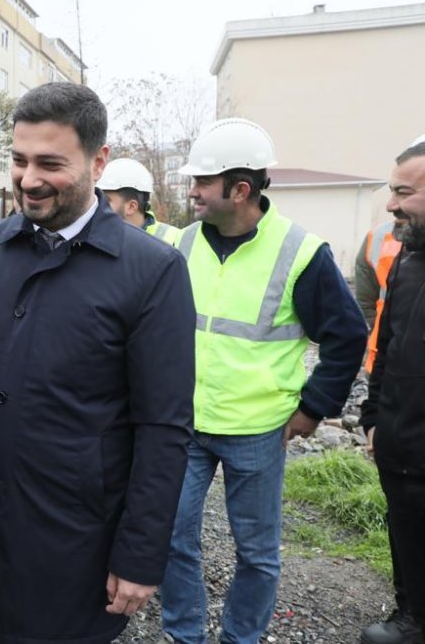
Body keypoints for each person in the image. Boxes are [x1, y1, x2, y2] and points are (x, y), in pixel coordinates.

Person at [0, 82, 197, 643]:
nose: (28, 179)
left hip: (74, 551)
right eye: (18, 159)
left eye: (50, 163)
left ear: (98, 161)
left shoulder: (152, 272)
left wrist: (140, 553)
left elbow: (164, 426)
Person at [157, 118, 367, 644]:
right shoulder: (181, 245)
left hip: (258, 430)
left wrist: (314, 407)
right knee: (171, 537)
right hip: (186, 424)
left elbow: (346, 335)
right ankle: (185, 636)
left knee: (256, 554)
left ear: (240, 189)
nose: (193, 192)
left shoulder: (300, 252)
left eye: (202, 183)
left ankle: (240, 639)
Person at [359, 139, 425, 644]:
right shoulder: (406, 261)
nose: (390, 204)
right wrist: (373, 418)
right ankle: (412, 616)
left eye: (403, 192)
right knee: (405, 526)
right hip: (401, 441)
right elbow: (387, 345)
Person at [354, 219, 403, 374]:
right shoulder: (377, 236)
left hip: (385, 357)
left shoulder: (378, 235)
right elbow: (366, 300)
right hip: (385, 356)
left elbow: (365, 300)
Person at [99, 157, 180, 245]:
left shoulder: (174, 240)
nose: (98, 205)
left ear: (131, 207)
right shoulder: (97, 237)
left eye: (105, 200)